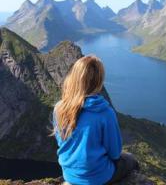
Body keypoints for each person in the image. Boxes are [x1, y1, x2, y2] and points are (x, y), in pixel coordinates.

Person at [53, 55, 139, 185]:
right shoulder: (104, 113)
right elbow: (115, 153)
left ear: (74, 78)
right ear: (99, 81)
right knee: (131, 161)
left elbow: (61, 142)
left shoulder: (59, 108)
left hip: (69, 175)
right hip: (98, 177)